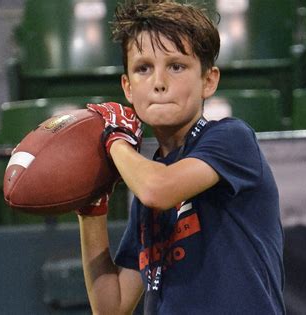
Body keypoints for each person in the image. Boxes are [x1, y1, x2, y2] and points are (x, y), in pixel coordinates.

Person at [77, 1, 285, 314]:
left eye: (176, 66)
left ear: (209, 80)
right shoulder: (151, 178)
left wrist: (113, 138)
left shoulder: (232, 138)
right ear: (127, 87)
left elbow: (158, 190)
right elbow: (112, 306)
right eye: (143, 68)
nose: (159, 82)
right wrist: (91, 208)